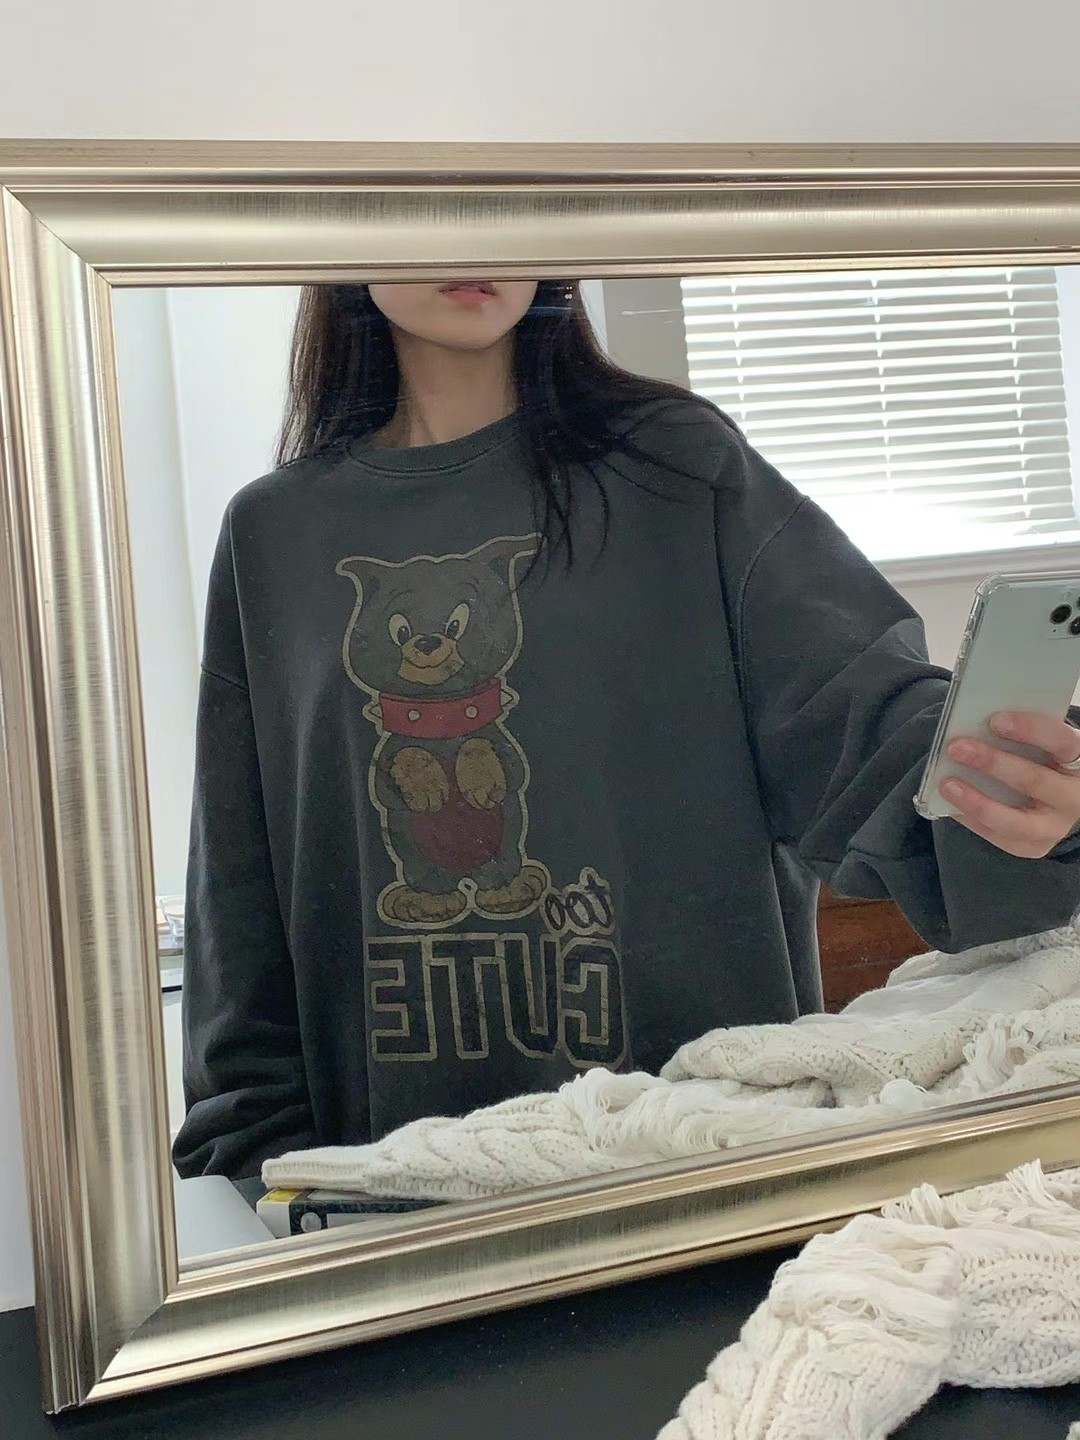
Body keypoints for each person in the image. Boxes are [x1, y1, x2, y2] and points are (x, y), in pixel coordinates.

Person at [172, 279, 1080, 1181]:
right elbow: (241, 886)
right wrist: (247, 1167)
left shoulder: (678, 467)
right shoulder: (274, 532)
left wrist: (1019, 787)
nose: (470, 237)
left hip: (688, 1165)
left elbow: (859, 720)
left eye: (507, 205)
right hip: (393, 1190)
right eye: (418, 207)